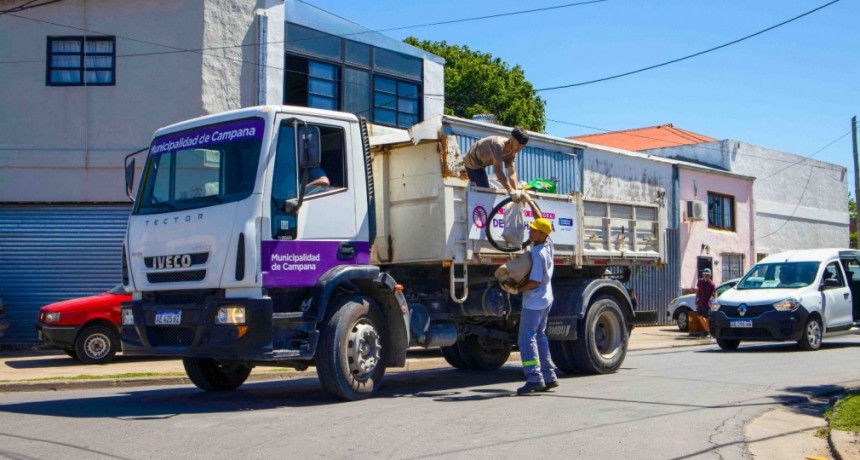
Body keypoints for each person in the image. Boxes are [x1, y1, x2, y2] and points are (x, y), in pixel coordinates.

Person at [516, 217, 558, 395]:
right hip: (546, 299)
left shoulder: (538, 253)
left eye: (534, 230)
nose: (530, 232)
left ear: (542, 234)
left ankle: (534, 377)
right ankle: (549, 376)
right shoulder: (549, 245)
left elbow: (534, 281)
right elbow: (543, 222)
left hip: (534, 301)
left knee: (527, 339)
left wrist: (518, 289)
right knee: (540, 336)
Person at [463, 126, 529, 193]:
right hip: (472, 160)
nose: (520, 147)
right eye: (519, 143)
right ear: (512, 139)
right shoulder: (498, 145)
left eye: (523, 146)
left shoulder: (512, 152)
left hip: (481, 163)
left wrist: (516, 192)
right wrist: (510, 191)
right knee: (484, 191)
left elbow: (512, 174)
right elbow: (498, 171)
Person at [692, 268, 716, 337]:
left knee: (707, 318)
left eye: (708, 275)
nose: (706, 276)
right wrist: (696, 299)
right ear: (703, 275)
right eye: (705, 274)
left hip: (707, 303)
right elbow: (697, 290)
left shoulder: (712, 284)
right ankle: (707, 331)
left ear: (710, 275)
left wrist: (712, 301)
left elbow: (714, 294)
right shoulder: (700, 281)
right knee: (699, 316)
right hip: (700, 301)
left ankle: (708, 332)